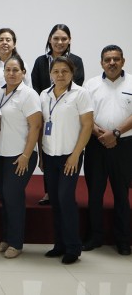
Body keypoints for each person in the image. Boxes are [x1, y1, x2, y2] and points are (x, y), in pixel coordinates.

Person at [39, 56, 93, 265]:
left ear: (72, 73)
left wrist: (75, 155)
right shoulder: (44, 95)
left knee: (66, 199)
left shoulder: (80, 94)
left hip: (70, 155)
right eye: (56, 72)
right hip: (50, 155)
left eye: (64, 71)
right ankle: (59, 244)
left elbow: (87, 126)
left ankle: (73, 247)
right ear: (50, 74)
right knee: (55, 200)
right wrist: (42, 156)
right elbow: (42, 125)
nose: (60, 75)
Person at [0, 55, 42, 258]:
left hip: (20, 156)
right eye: (8, 70)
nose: (11, 73)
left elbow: (35, 126)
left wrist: (26, 155)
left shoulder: (29, 95)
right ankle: (6, 238)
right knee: (5, 197)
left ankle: (16, 242)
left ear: (23, 73)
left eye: (15, 70)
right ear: (3, 73)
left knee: (13, 197)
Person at [82, 45, 132, 255]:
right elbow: (84, 115)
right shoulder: (90, 84)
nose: (112, 63)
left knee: (122, 193)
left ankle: (123, 240)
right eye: (107, 59)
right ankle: (95, 237)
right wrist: (100, 134)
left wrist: (116, 133)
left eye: (116, 59)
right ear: (101, 62)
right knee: (95, 193)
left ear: (123, 61)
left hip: (124, 145)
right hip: (96, 144)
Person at [32, 24, 85, 205]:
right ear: (49, 39)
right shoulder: (40, 61)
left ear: (69, 40)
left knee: (64, 196)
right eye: (56, 38)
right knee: (49, 151)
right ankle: (50, 192)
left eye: (64, 38)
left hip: (67, 113)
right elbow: (36, 84)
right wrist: (47, 100)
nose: (60, 42)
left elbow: (77, 83)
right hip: (48, 108)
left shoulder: (76, 61)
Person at [0, 28, 31, 203]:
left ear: (14, 43)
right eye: (1, 39)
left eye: (8, 39)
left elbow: (26, 92)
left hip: (15, 118)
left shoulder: (21, 65)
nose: (4, 42)